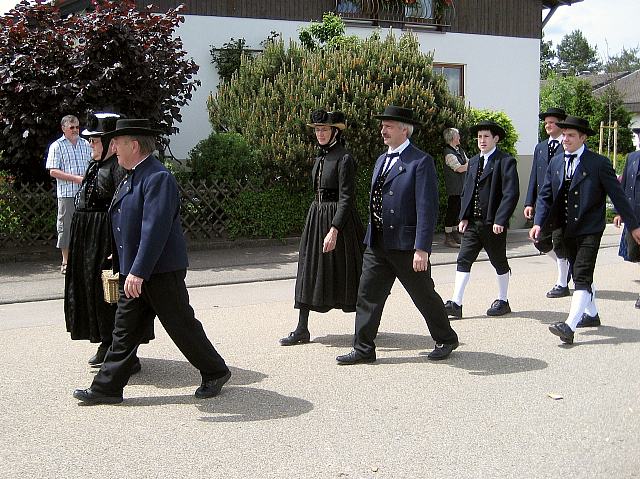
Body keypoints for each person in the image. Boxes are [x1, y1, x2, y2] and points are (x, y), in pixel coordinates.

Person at [73, 119, 230, 404]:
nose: (115, 149)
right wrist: (119, 254)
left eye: (118, 143)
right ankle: (106, 388)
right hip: (137, 269)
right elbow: (127, 221)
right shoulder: (133, 174)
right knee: (123, 330)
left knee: (180, 325)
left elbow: (154, 228)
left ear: (133, 145)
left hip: (158, 271)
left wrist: (139, 271)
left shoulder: (157, 177)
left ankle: (215, 371)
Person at [335, 105, 459, 365]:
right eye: (382, 126)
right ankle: (364, 349)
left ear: (404, 129)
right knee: (367, 296)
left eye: (388, 126)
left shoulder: (420, 161)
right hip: (378, 244)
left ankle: (446, 338)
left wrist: (422, 248)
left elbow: (427, 207)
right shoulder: (382, 160)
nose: (383, 131)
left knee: (424, 295)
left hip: (406, 246)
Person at [530, 116, 640, 344]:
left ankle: (569, 326)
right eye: (563, 136)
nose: (565, 140)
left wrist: (633, 225)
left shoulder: (598, 163)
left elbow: (618, 196)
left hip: (590, 228)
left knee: (581, 273)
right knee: (580, 273)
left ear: (583, 138)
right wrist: (539, 222)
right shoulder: (556, 162)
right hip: (564, 227)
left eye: (571, 136)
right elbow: (546, 195)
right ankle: (591, 314)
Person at [64, 112, 152, 369]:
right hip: (89, 239)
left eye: (95, 140)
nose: (90, 144)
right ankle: (106, 343)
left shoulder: (118, 169)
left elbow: (126, 209)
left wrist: (118, 243)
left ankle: (124, 352)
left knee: (111, 297)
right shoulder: (96, 165)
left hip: (106, 239)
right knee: (93, 293)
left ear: (112, 143)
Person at [279, 110, 365, 346]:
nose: (320, 134)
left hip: (340, 222)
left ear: (335, 131)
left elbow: (347, 198)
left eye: (324, 130)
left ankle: (363, 329)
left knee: (348, 271)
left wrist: (335, 228)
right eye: (317, 130)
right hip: (316, 217)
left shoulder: (344, 158)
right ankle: (301, 329)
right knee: (309, 269)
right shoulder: (319, 158)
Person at [443, 120, 520, 319]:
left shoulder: (505, 161)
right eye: (479, 137)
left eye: (486, 136)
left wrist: (500, 220)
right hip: (473, 223)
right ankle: (456, 303)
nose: (482, 140)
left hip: (493, 224)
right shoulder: (474, 161)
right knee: (463, 259)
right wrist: (463, 217)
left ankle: (503, 300)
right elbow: (468, 190)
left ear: (496, 139)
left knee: (498, 261)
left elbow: (510, 194)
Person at [524, 107, 571, 298]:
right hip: (543, 203)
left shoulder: (568, 145)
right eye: (545, 123)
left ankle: (562, 282)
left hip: (562, 203)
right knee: (540, 241)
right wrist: (529, 202)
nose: (547, 126)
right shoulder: (540, 147)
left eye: (551, 122)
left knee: (559, 242)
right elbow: (534, 174)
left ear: (560, 124)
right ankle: (565, 266)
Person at [45, 114, 92, 274]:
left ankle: (84, 260)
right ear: (63, 128)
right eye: (71, 127)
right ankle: (66, 261)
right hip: (67, 193)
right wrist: (76, 179)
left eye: (77, 127)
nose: (75, 130)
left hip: (86, 193)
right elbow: (53, 171)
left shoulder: (86, 144)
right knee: (65, 227)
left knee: (86, 226)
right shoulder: (57, 146)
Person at [615, 148, 640, 308]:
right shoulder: (632, 157)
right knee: (637, 255)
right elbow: (623, 187)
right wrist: (619, 212)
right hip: (634, 216)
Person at [442, 127, 468, 248]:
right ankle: (448, 236)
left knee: (457, 210)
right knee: (452, 210)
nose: (459, 137)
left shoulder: (459, 150)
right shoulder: (448, 153)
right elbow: (459, 168)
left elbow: (466, 163)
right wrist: (471, 164)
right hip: (454, 187)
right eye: (458, 135)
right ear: (452, 137)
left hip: (460, 186)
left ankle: (454, 232)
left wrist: (468, 164)